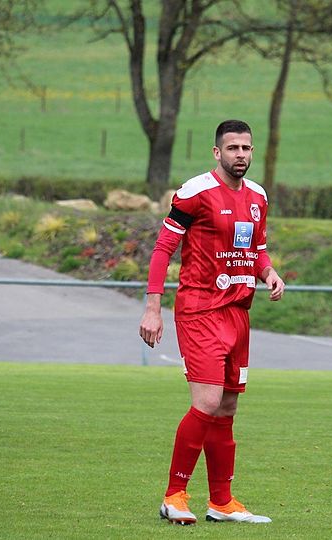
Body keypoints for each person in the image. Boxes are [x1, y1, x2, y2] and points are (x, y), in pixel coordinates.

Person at [139, 119, 285, 525]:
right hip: (200, 309)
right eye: (233, 148)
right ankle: (174, 496)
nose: (241, 154)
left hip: (238, 311)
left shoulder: (258, 196)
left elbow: (257, 248)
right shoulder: (195, 193)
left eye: (246, 148)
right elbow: (163, 249)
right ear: (217, 152)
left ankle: (221, 502)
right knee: (206, 401)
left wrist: (268, 272)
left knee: (227, 406)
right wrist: (152, 307)